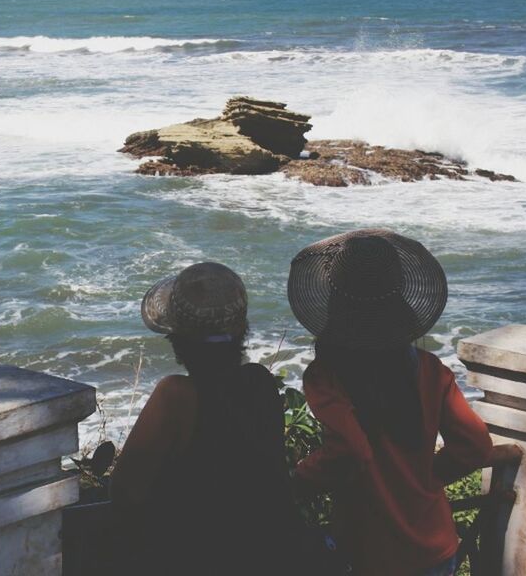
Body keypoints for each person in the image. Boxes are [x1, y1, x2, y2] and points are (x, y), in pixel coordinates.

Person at [287, 229, 494, 576]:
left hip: (370, 551)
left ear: (336, 302)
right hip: (435, 545)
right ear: (399, 299)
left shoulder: (327, 377)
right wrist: (428, 477)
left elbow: (351, 450)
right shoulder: (429, 370)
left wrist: (296, 480)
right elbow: (475, 444)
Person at [110, 262, 309, 576]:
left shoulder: (175, 395)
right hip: (272, 552)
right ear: (241, 330)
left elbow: (124, 492)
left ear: (176, 338)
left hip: (200, 557)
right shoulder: (261, 382)